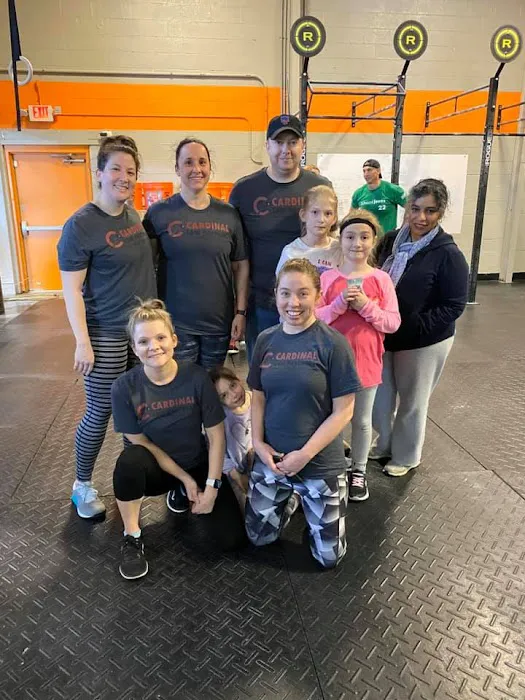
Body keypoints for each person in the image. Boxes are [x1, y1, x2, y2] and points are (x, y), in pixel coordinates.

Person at [111, 299, 246, 580]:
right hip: (157, 469)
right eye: (144, 341)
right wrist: (184, 479)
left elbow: (215, 435)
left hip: (196, 462)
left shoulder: (196, 377)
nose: (154, 346)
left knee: (231, 540)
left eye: (160, 338)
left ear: (174, 340)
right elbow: (142, 442)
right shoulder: (123, 387)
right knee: (129, 462)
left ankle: (183, 492)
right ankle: (132, 536)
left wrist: (211, 487)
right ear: (134, 348)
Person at [58, 135, 156, 520]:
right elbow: (72, 291)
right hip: (106, 334)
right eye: (115, 169)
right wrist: (82, 342)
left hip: (141, 335)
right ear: (99, 172)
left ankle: (129, 481)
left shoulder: (133, 217)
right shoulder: (81, 225)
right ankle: (82, 486)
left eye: (130, 171)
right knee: (100, 411)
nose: (124, 177)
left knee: (136, 412)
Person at [246, 259, 360, 569]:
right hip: (273, 460)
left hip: (319, 466)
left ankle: (307, 501)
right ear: (275, 294)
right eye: (285, 293)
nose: (293, 303)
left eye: (303, 293)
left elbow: (344, 410)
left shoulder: (333, 344)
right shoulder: (266, 340)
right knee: (259, 537)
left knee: (328, 558)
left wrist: (305, 455)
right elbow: (258, 396)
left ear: (318, 296)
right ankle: (293, 498)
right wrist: (258, 444)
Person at [372, 178, 469, 476]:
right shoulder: (390, 241)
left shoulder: (448, 254)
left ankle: (406, 456)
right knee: (381, 398)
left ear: (441, 212)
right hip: (385, 334)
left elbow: (454, 305)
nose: (421, 218)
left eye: (430, 211)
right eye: (415, 209)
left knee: (412, 402)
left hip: (423, 341)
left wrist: (416, 326)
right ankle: (383, 444)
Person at [315, 210, 401, 502]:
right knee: (333, 418)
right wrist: (338, 305)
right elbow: (314, 318)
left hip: (366, 362)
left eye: (364, 237)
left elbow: (392, 322)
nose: (357, 243)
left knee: (362, 421)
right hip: (331, 363)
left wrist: (365, 305)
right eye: (350, 236)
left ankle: (359, 470)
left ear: (373, 241)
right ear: (341, 239)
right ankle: (337, 467)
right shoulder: (328, 279)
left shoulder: (381, 280)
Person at [229, 114, 330, 359]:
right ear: (267, 145)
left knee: (309, 371)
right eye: (279, 142)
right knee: (263, 371)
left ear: (302, 146)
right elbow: (236, 255)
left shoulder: (319, 187)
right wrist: (239, 309)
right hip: (262, 304)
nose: (286, 150)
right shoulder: (244, 190)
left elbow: (330, 241)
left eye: (293, 142)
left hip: (309, 305)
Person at [143, 138, 249, 370]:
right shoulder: (159, 213)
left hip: (218, 324)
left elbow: (240, 265)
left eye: (202, 162)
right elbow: (145, 267)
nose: (196, 169)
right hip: (175, 325)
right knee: (181, 384)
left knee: (212, 385)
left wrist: (240, 312)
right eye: (188, 162)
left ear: (210, 167)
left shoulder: (228, 214)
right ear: (177, 168)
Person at [275, 185, 341, 275]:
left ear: (334, 219)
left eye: (328, 213)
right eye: (315, 212)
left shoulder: (340, 250)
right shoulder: (291, 252)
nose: (321, 219)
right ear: (303, 215)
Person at [351, 159, 406, 235]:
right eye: (364, 171)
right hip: (368, 238)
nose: (366, 174)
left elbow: (410, 208)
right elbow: (351, 215)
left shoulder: (392, 190)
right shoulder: (359, 193)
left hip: (387, 238)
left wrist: (403, 230)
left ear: (378, 171)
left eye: (369, 170)